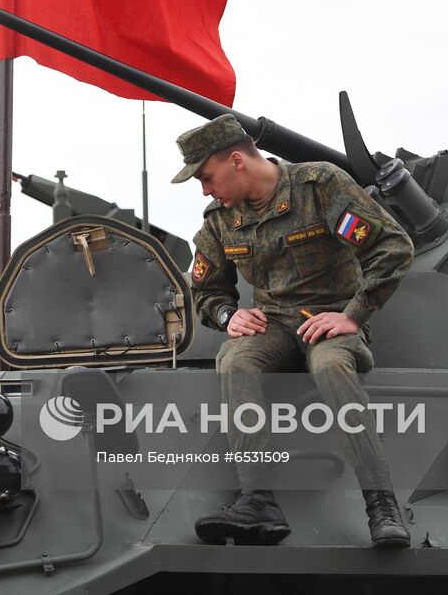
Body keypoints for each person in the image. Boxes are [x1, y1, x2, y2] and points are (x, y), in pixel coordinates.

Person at [172, 114, 413, 548]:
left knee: (331, 367)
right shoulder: (220, 220)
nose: (206, 190)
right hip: (274, 325)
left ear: (237, 161)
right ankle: (257, 499)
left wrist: (354, 315)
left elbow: (392, 246)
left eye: (207, 178)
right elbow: (206, 289)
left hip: (331, 320)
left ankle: (382, 505)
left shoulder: (319, 187)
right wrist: (229, 317)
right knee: (236, 360)